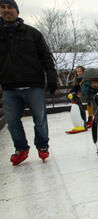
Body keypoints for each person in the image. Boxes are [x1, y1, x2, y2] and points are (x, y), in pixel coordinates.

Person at [0, 0, 57, 166]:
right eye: (2, 8)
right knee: (11, 121)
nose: (6, 10)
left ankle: (42, 146)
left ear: (17, 11)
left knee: (39, 118)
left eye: (9, 7)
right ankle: (21, 148)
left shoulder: (32, 33)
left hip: (34, 85)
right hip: (9, 87)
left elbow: (46, 56)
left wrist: (51, 76)